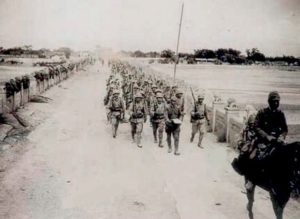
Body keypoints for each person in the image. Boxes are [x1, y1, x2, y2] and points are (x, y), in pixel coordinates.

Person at [254, 91, 288, 160]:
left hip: (277, 141)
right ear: (269, 102)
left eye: (277, 101)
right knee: (261, 158)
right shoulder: (262, 113)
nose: (276, 103)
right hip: (263, 141)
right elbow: (256, 127)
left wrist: (282, 136)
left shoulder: (280, 114)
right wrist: (266, 136)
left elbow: (285, 129)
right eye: (274, 101)